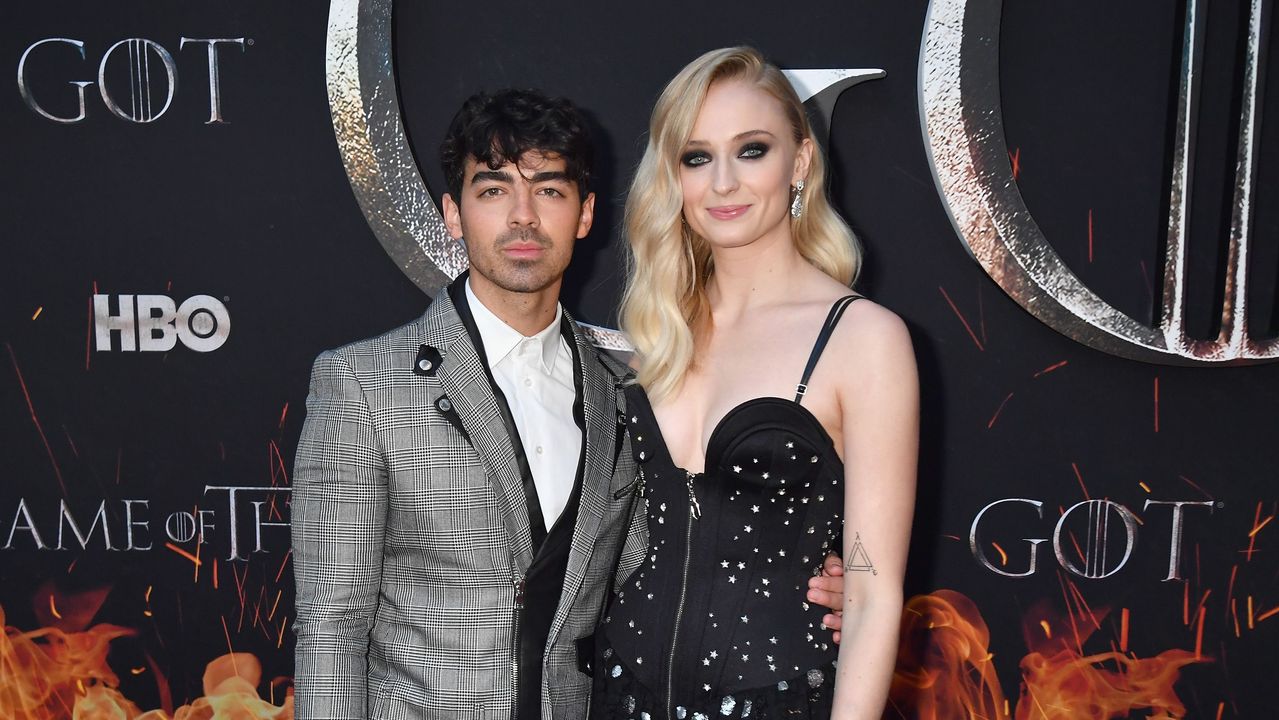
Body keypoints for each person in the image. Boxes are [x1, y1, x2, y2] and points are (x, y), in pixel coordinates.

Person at [291, 88, 848, 720]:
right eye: (494, 190)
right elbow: (331, 630)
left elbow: (671, 561)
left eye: (550, 191)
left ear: (585, 214)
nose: (523, 217)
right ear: (453, 213)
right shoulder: (363, 383)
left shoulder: (629, 392)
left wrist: (822, 581)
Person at [594, 47, 918, 720]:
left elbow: (871, 590)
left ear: (798, 163)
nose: (722, 184)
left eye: (751, 151)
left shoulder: (863, 339)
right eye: (696, 157)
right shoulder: (658, 329)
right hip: (620, 692)